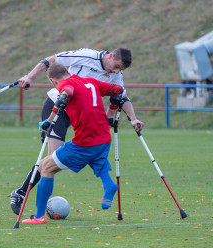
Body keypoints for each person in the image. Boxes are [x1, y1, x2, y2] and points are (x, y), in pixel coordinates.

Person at [10, 47, 144, 214]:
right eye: (116, 66)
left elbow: (121, 96)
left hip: (81, 114)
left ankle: (40, 203)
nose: (116, 71)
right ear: (110, 56)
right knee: (53, 158)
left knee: (89, 146)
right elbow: (50, 60)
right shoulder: (86, 56)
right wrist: (29, 76)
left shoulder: (116, 75)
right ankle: (22, 193)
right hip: (58, 105)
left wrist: (133, 118)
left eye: (120, 69)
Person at [22, 62, 124, 224]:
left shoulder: (64, 84)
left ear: (53, 81)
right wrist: (113, 105)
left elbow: (67, 92)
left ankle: (39, 216)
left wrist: (49, 120)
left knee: (45, 167)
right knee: (96, 158)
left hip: (85, 142)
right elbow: (118, 90)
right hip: (104, 137)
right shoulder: (90, 81)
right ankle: (109, 184)